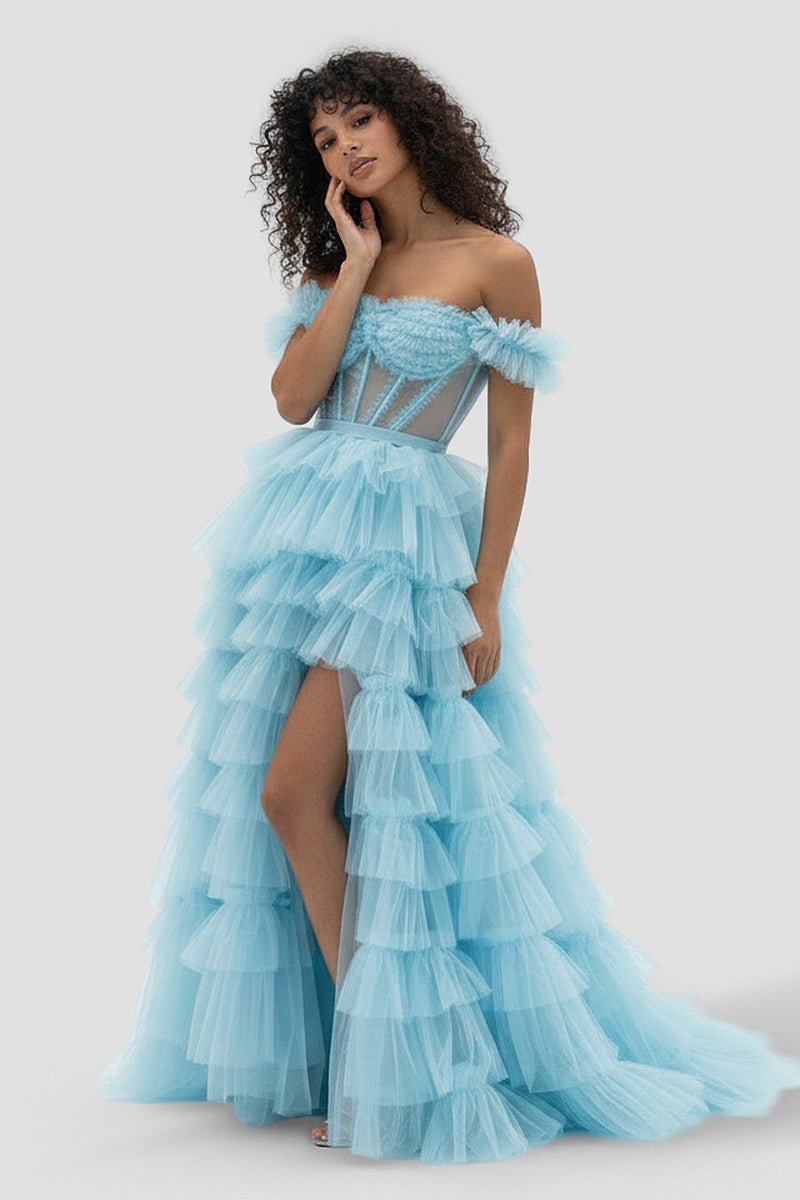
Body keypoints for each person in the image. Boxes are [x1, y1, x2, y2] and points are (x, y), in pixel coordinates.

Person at [98, 48, 800, 1164]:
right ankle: (371, 1050)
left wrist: (485, 592)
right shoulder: (344, 258)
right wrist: (354, 265)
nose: (345, 148)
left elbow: (512, 442)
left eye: (359, 121)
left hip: (400, 556)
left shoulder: (496, 263)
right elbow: (293, 400)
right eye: (324, 140)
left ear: (410, 121)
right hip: (297, 539)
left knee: (302, 794)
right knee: (312, 798)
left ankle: (397, 1064)